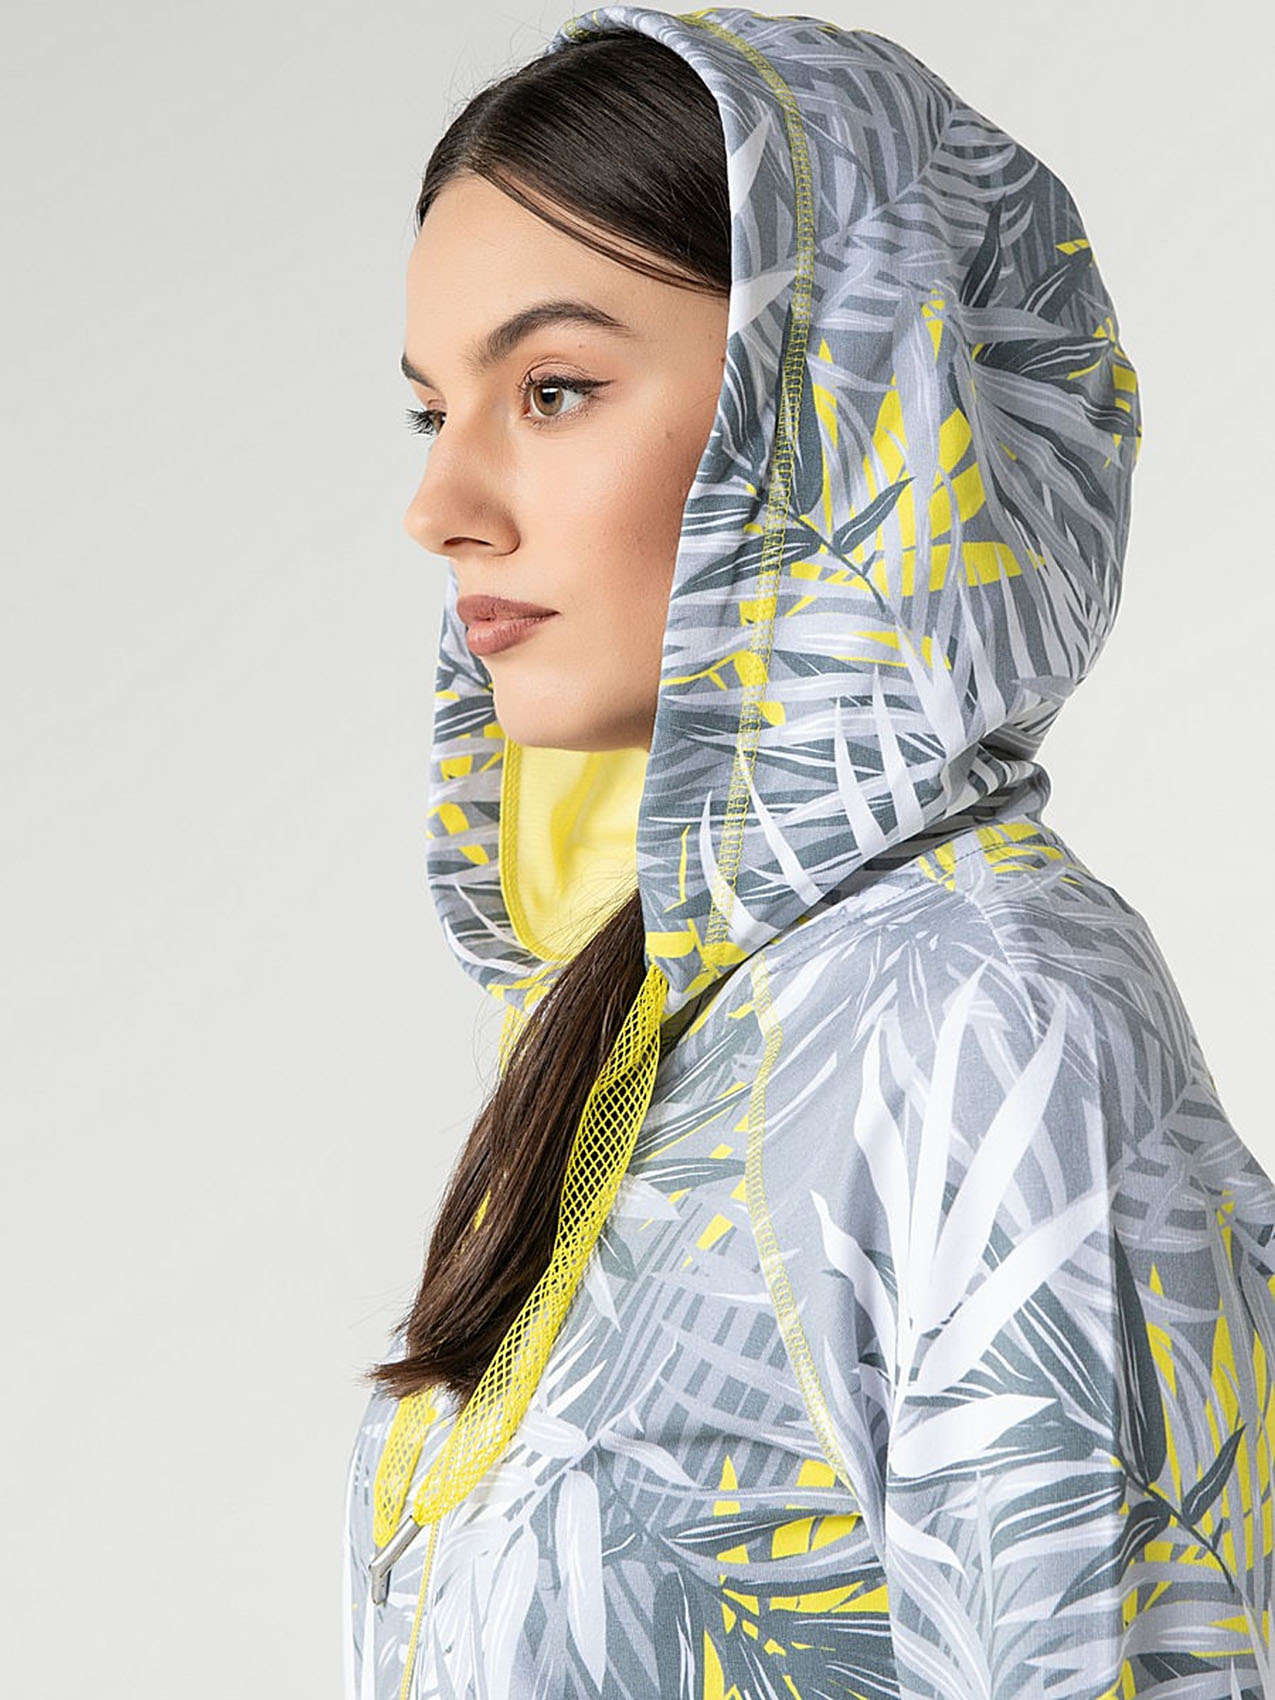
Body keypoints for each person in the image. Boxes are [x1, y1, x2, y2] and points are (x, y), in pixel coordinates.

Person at [343, 7, 1275, 1697]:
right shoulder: (638, 1025)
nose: (442, 505)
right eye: (433, 410)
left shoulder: (994, 1025)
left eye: (553, 391)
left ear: (841, 401)